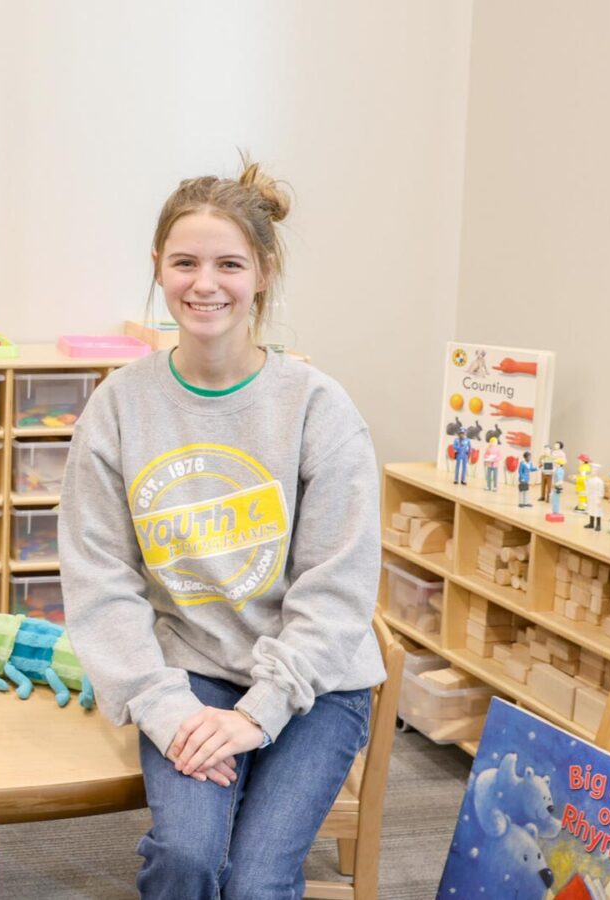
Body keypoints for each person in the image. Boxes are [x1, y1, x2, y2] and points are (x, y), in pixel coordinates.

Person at [59, 160, 384, 899]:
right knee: (186, 858)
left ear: (263, 273)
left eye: (229, 263)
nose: (206, 284)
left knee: (257, 883)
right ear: (159, 269)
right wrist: (166, 708)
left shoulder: (319, 409)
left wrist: (260, 713)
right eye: (186, 263)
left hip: (316, 681)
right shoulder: (117, 408)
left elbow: (336, 593)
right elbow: (99, 581)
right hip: (192, 669)